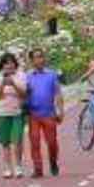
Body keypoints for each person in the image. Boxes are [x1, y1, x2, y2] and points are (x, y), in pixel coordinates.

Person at [24, 47, 64, 178]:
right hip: (33, 114)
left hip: (49, 113)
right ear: (31, 60)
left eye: (41, 56)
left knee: (52, 142)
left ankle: (53, 162)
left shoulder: (51, 74)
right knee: (34, 142)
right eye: (36, 57)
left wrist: (60, 110)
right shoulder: (27, 76)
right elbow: (23, 93)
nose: (40, 60)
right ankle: (38, 168)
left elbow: (57, 93)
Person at [0, 52, 28, 179]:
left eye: (11, 63)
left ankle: (18, 166)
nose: (9, 66)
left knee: (17, 140)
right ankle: (7, 168)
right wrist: (3, 84)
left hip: (17, 112)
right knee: (5, 142)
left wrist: (13, 84)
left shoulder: (21, 75)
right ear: (2, 66)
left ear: (15, 64)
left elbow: (23, 94)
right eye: (6, 63)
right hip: (2, 113)